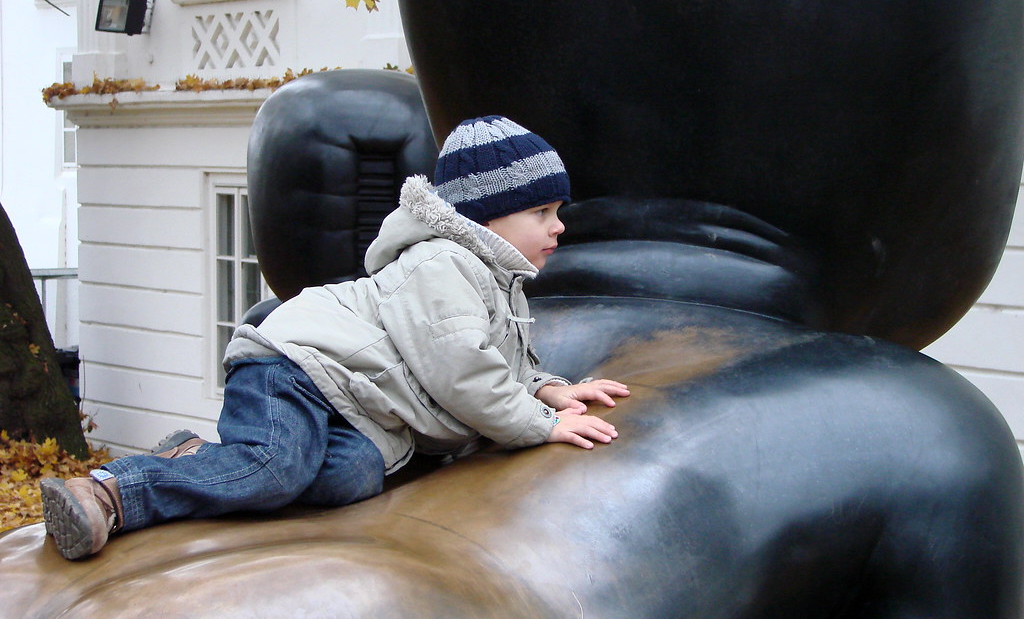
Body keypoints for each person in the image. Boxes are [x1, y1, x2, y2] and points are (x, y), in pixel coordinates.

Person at [40, 115, 630, 561]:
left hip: (348, 399)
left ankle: (198, 457)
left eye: (557, 210)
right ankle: (114, 495)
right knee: (273, 468)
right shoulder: (442, 264)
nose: (558, 226)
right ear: (484, 216)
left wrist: (547, 387)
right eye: (542, 212)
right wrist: (541, 425)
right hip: (294, 362)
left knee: (351, 478)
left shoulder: (498, 279)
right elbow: (461, 370)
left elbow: (497, 359)